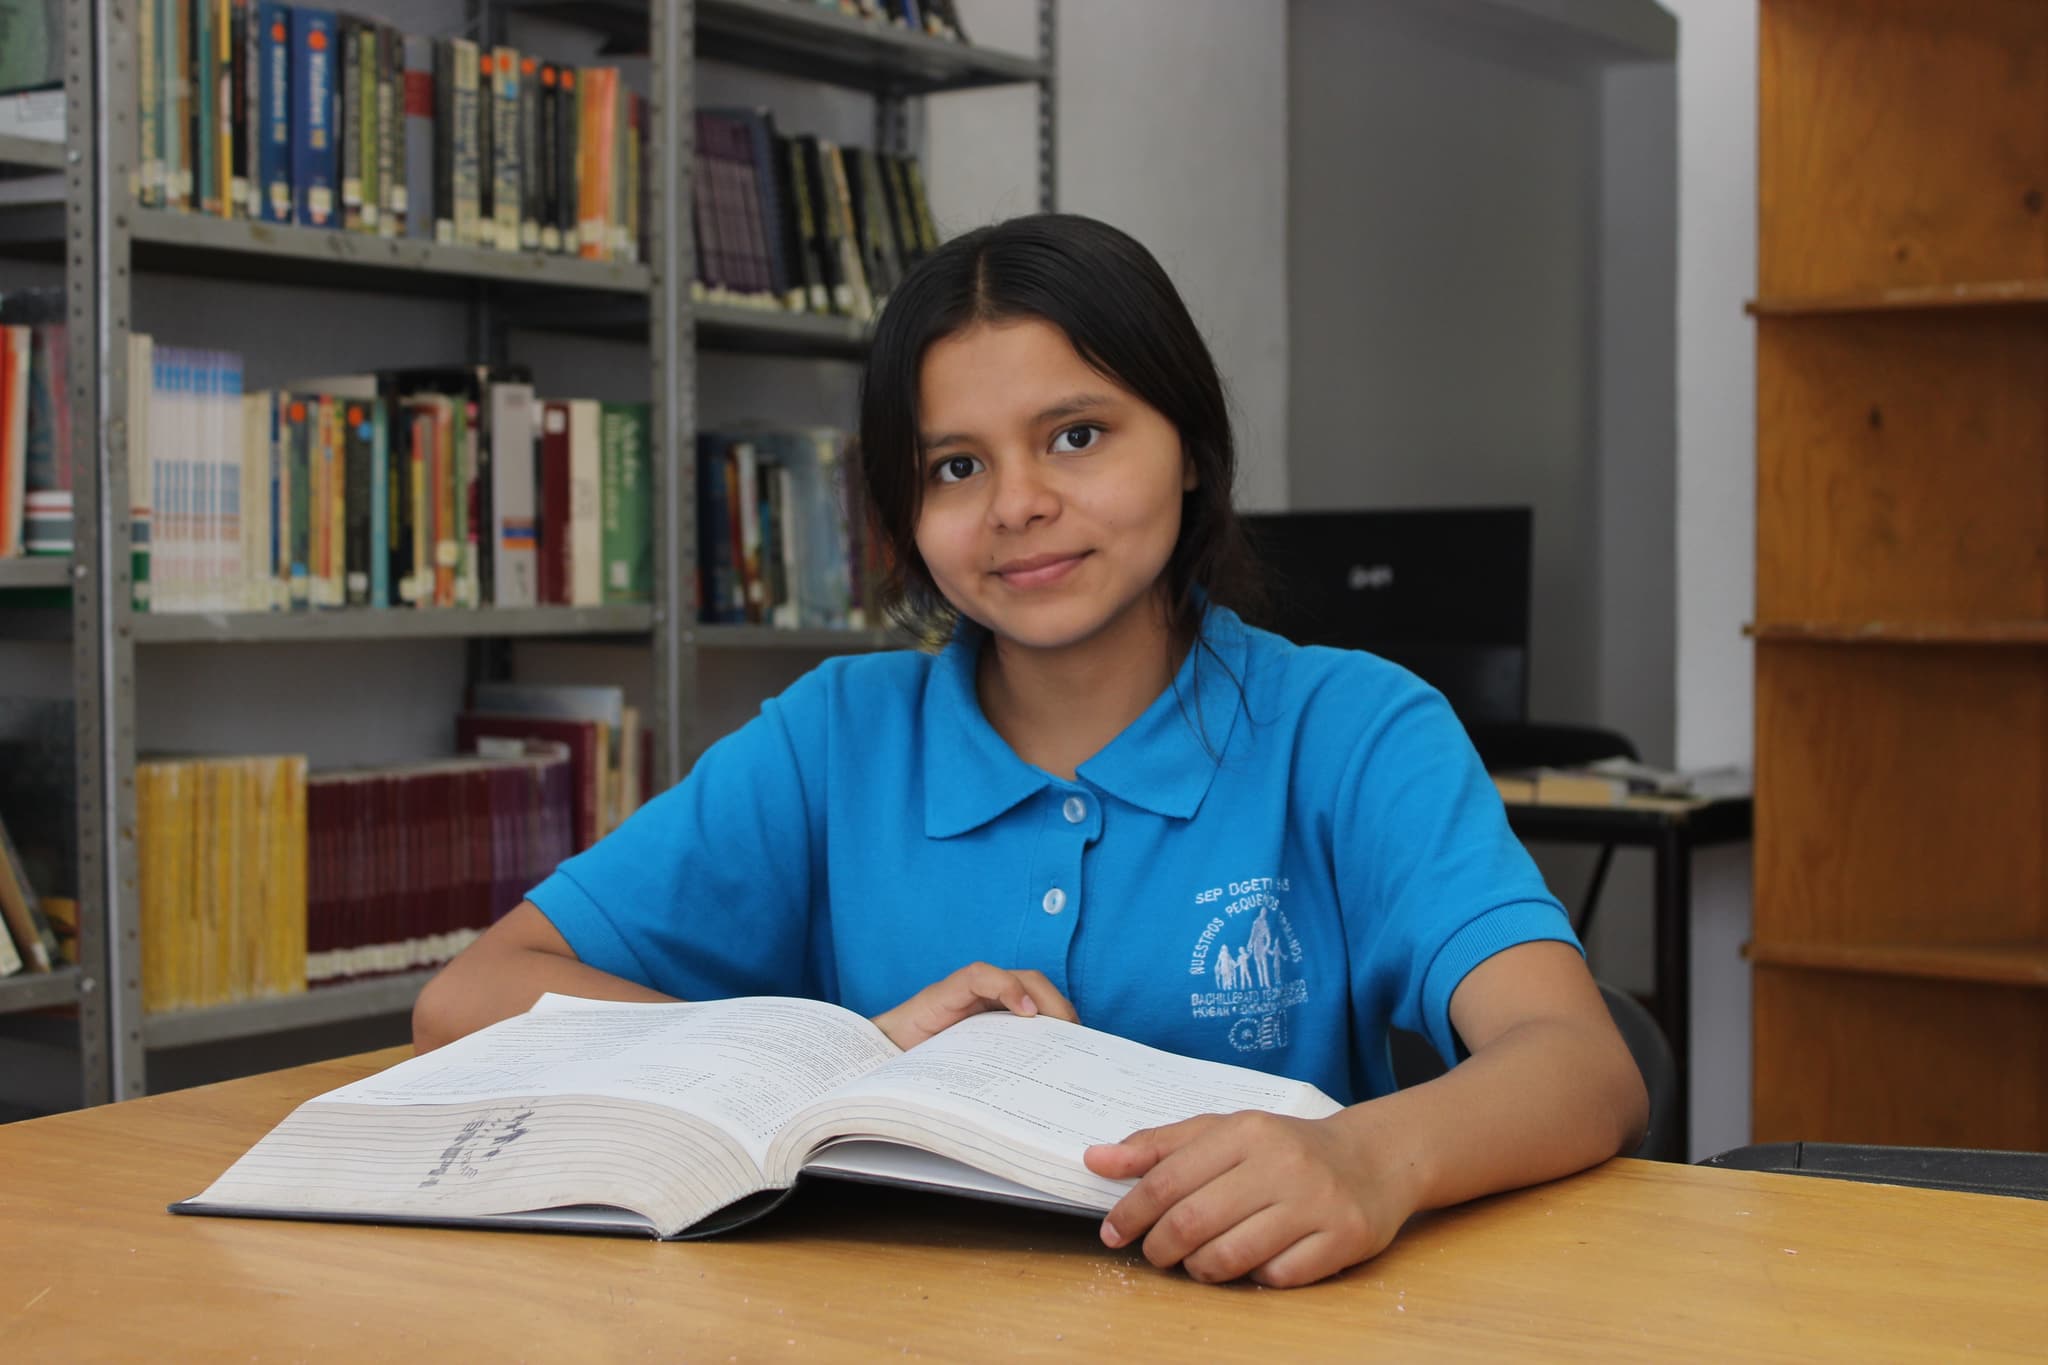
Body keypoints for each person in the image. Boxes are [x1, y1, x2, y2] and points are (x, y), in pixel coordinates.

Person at [414, 212, 1648, 1287]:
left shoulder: (1352, 727)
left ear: (1188, 447)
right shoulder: (834, 735)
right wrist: (830, 1057)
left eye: (1074, 436)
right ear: (906, 518)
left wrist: (1369, 1159)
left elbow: (1579, 1063)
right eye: (956, 466)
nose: (1015, 505)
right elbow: (469, 995)